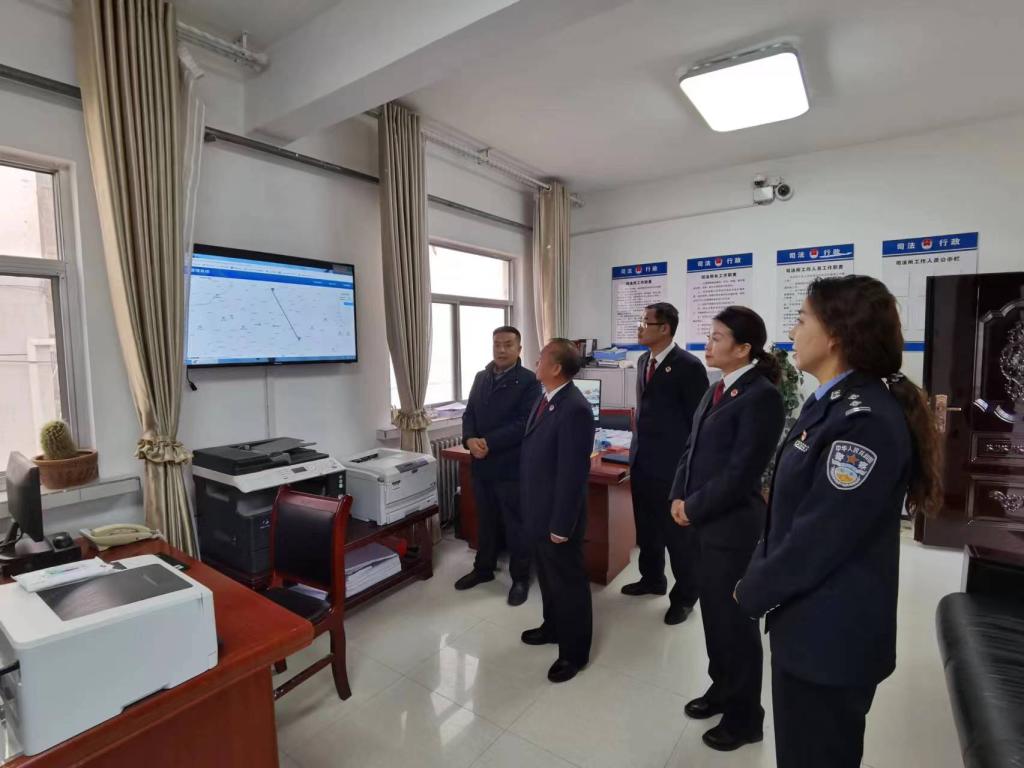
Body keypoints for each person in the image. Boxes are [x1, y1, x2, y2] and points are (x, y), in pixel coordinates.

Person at [734, 275, 942, 768]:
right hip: (808, 624)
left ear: (836, 335)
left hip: (831, 639)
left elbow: (818, 536)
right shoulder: (831, 401)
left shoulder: (863, 420)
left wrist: (752, 590)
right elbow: (791, 513)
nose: (792, 331)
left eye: (801, 319)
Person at [669, 306, 784, 752]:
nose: (708, 343)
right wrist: (677, 497)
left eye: (717, 338)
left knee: (735, 624)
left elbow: (740, 474)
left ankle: (745, 718)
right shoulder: (716, 388)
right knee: (714, 618)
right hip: (700, 522)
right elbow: (690, 449)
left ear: (743, 348)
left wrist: (693, 507)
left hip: (731, 529)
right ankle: (721, 689)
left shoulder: (762, 397)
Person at [624, 302, 708, 624]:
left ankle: (685, 597)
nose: (640, 327)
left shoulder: (688, 366)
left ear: (665, 329)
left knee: (679, 539)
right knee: (647, 530)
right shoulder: (643, 360)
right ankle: (652, 579)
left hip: (673, 469)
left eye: (646, 322)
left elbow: (699, 425)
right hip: (642, 462)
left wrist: (690, 473)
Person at [519, 338, 596, 683]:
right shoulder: (547, 397)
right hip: (538, 509)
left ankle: (574, 653)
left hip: (558, 517)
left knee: (568, 584)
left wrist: (562, 525)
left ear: (556, 368)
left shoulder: (575, 408)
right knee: (548, 578)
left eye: (540, 358)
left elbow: (572, 474)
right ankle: (552, 626)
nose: (535, 362)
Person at [456, 326, 541, 606]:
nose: (501, 350)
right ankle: (483, 569)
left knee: (516, 525)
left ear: (519, 349)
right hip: (481, 464)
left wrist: (488, 442)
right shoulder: (481, 377)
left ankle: (520, 578)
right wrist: (469, 439)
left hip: (511, 465)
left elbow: (525, 422)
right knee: (486, 520)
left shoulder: (529, 381)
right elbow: (469, 413)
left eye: (507, 344)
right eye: (496, 344)